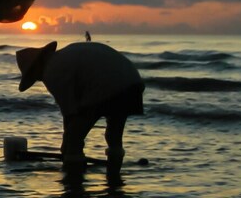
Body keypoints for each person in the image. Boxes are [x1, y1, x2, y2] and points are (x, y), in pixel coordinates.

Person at [15, 34, 145, 177]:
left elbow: (70, 112)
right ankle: (114, 177)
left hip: (105, 87)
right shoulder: (65, 55)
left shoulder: (51, 71)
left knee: (74, 140)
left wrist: (67, 143)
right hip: (132, 82)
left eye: (33, 76)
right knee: (114, 135)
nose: (38, 79)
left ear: (36, 67)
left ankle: (74, 181)